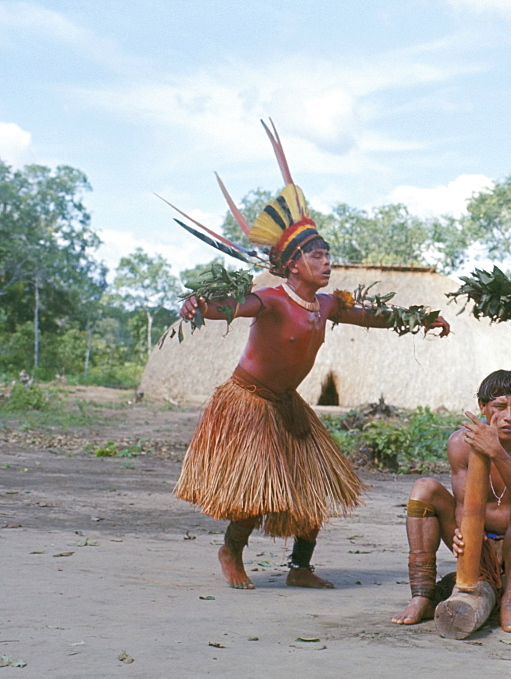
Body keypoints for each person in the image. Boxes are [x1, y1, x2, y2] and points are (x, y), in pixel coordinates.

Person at [173, 121, 450, 590]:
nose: (326, 262)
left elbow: (370, 317)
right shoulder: (272, 299)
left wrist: (420, 319)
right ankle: (231, 549)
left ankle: (300, 567)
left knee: (315, 483)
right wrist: (201, 305)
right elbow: (233, 308)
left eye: (327, 254)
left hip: (288, 405)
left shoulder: (325, 304)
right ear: (293, 264)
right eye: (317, 256)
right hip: (249, 403)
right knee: (257, 490)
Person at [391, 370, 511, 633]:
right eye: (500, 407)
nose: (509, 417)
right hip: (478, 542)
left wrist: (497, 452)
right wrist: (461, 533)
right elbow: (462, 504)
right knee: (424, 489)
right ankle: (422, 596)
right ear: (482, 407)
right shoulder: (459, 442)